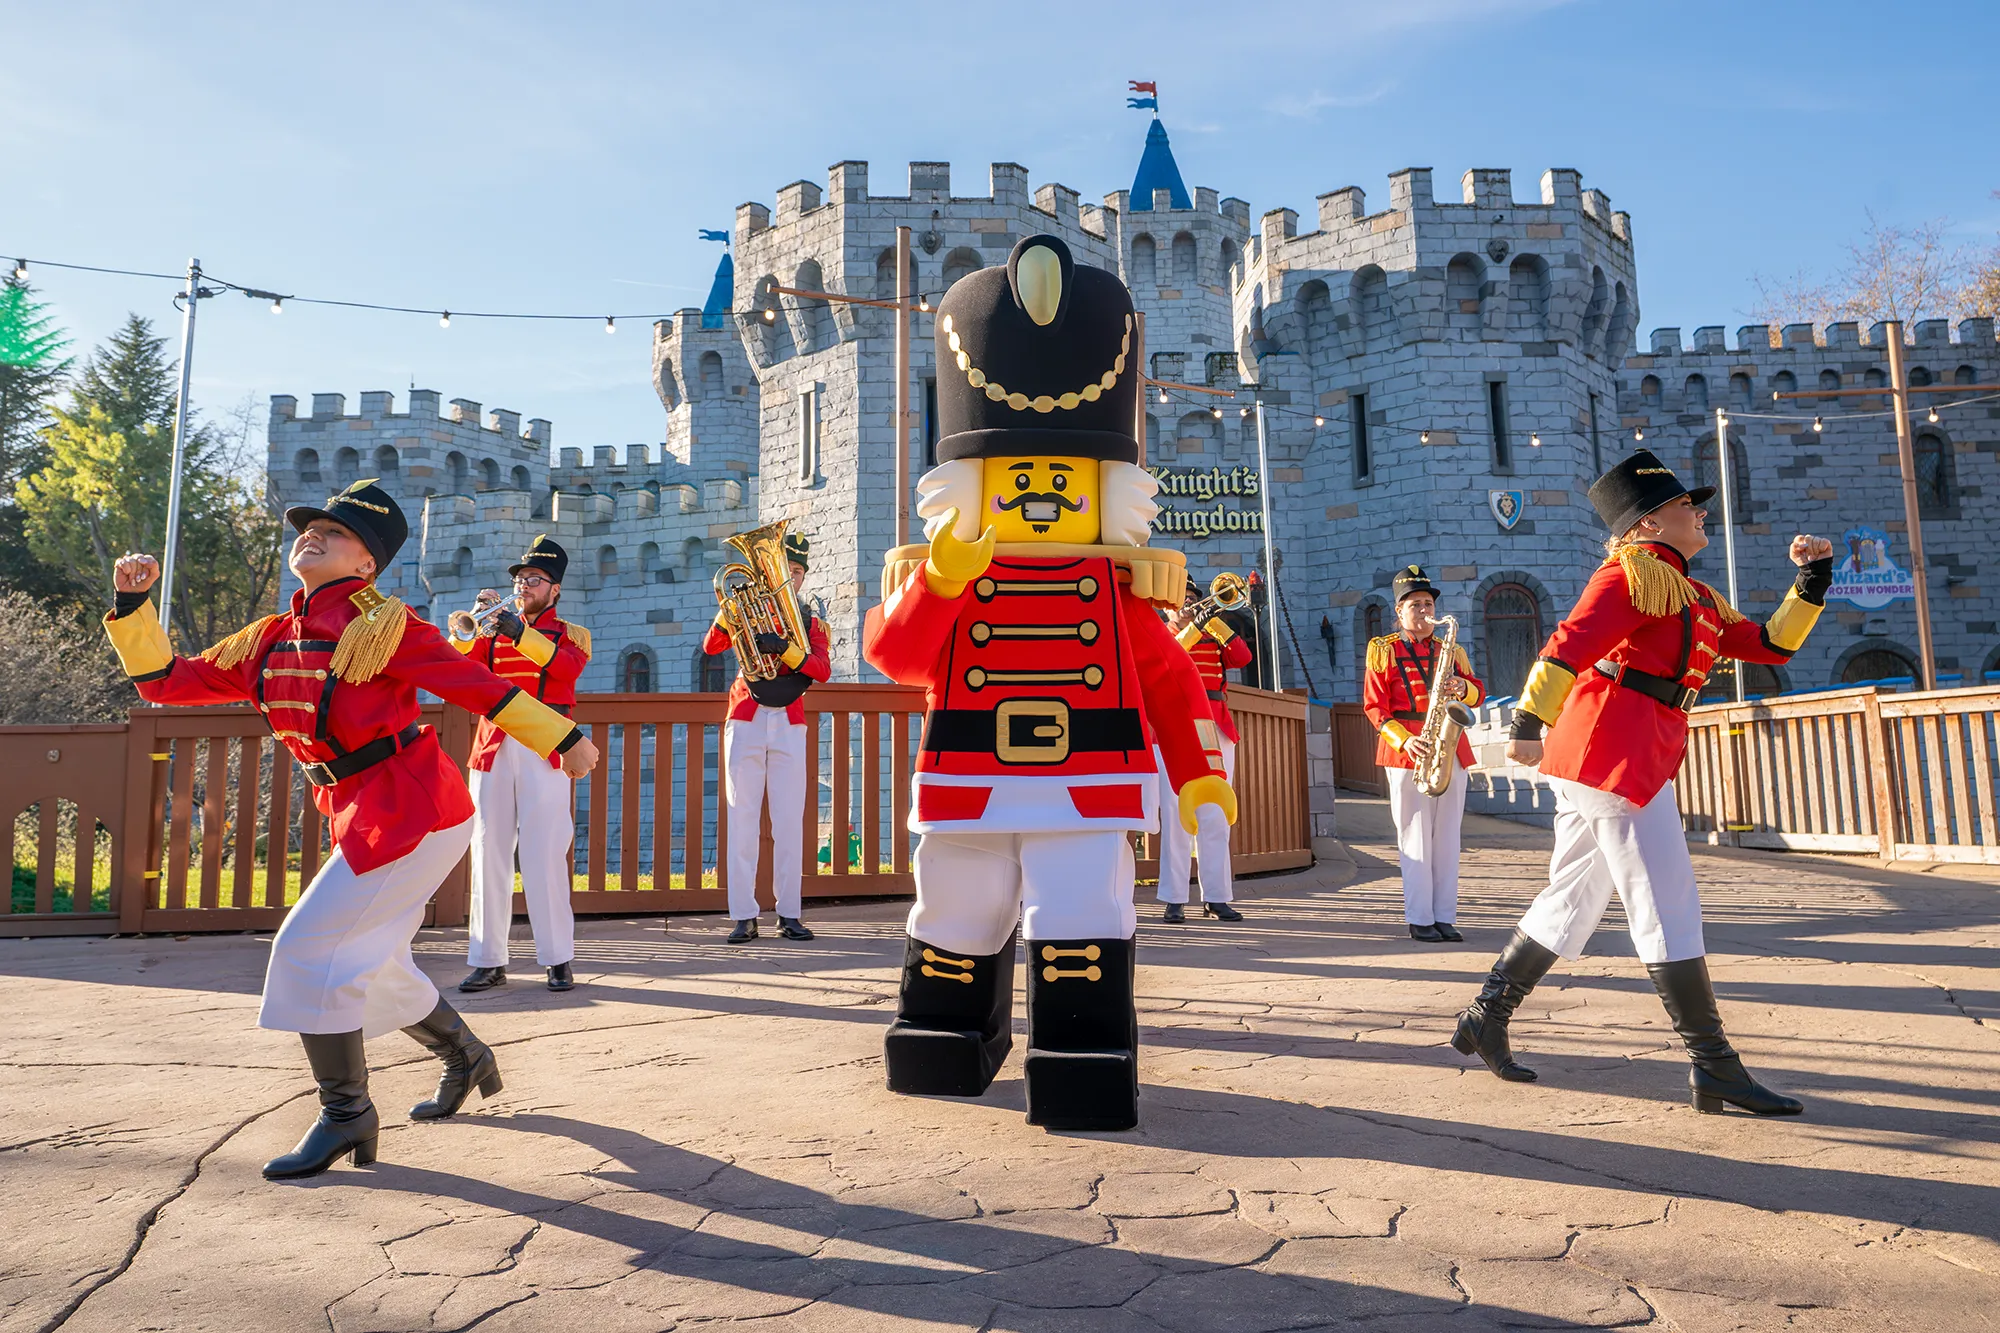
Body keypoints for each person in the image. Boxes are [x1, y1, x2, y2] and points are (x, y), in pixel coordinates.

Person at [102, 480, 599, 1180]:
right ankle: (465, 1055)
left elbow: (473, 684)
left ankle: (346, 1113)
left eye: (332, 533)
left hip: (414, 809)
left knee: (309, 947)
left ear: (367, 564)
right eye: (308, 528)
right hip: (362, 811)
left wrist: (564, 734)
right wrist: (133, 606)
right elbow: (166, 681)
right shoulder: (273, 635)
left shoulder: (385, 624)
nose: (311, 535)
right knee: (377, 962)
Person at [864, 234, 1235, 1131]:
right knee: (957, 908)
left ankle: (1079, 1048)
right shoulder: (948, 580)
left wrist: (1197, 773)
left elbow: (1171, 681)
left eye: (1060, 479)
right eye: (1018, 477)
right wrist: (943, 582)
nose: (1039, 495)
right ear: (975, 485)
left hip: (1088, 780)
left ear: (1101, 488)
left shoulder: (1119, 594)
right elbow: (895, 656)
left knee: (1078, 914)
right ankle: (947, 1031)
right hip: (969, 778)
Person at [1451, 450, 1834, 1116]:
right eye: (1688, 504)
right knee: (1667, 898)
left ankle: (1486, 1015)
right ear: (1649, 522)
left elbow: (1772, 644)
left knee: (1573, 895)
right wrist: (1527, 720)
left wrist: (1812, 580)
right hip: (1613, 753)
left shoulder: (1692, 593)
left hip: (1627, 752)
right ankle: (1714, 1065)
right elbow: (1565, 645)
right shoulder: (1630, 575)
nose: (1700, 511)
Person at [451, 535, 590, 994]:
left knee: (544, 852)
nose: (523, 585)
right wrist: (476, 621)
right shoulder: (493, 627)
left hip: (545, 745)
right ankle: (488, 958)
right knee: (487, 850)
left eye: (534, 579)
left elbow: (566, 669)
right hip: (492, 745)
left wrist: (518, 632)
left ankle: (557, 958)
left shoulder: (571, 634)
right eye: (519, 578)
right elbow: (458, 663)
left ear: (556, 590)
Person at [701, 530, 830, 943]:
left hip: (790, 720)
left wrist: (788, 650)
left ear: (803, 578)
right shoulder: (746, 608)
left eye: (795, 571)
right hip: (746, 716)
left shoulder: (811, 621)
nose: (788, 577)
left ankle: (789, 913)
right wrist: (732, 605)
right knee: (742, 818)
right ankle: (743, 914)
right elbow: (710, 646)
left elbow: (821, 670)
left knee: (789, 821)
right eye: (782, 569)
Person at [1363, 566, 1484, 942]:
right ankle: (1420, 917)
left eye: (1428, 603)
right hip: (1408, 751)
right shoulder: (1382, 650)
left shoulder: (1453, 650)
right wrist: (1403, 740)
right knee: (1415, 836)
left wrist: (1462, 686)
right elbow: (1373, 706)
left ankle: (1445, 916)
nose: (1424, 610)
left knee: (1448, 837)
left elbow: (1478, 693)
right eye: (1415, 604)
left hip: (1451, 750)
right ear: (1399, 612)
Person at [1156, 592, 1253, 923]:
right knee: (1176, 816)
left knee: (1216, 814)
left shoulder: (1214, 633)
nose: (1187, 605)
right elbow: (1167, 660)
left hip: (1215, 727)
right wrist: (1195, 627)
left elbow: (1242, 657)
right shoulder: (1158, 634)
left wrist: (1216, 622)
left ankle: (1217, 897)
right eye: (1179, 600)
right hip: (1175, 727)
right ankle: (1174, 898)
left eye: (1194, 600)